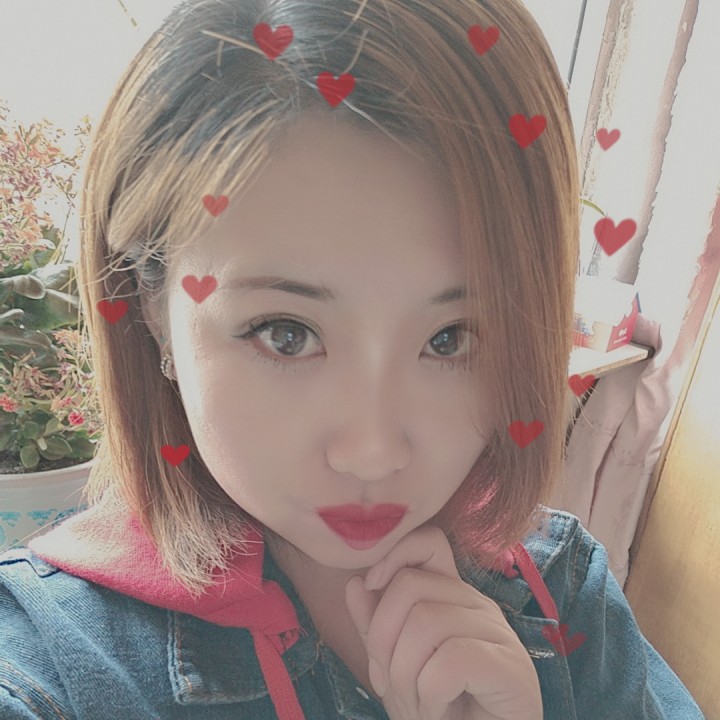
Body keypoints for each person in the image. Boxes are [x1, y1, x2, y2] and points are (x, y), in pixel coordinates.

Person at [0, 0, 706, 718]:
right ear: (152, 309)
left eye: (451, 338)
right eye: (285, 334)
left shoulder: (563, 592)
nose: (372, 452)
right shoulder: (43, 673)